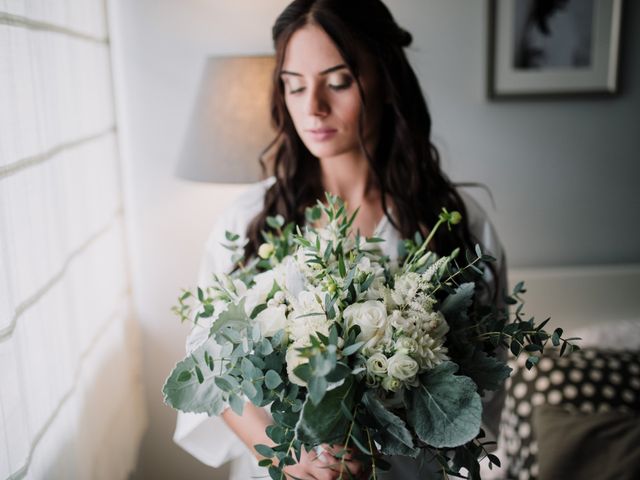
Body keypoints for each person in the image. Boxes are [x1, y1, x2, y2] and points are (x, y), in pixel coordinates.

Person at [173, 0, 508, 478]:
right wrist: (286, 455)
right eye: (294, 86)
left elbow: (484, 384)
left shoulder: (458, 227)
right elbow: (209, 362)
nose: (313, 108)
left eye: (338, 82)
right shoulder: (246, 220)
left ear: (385, 81)